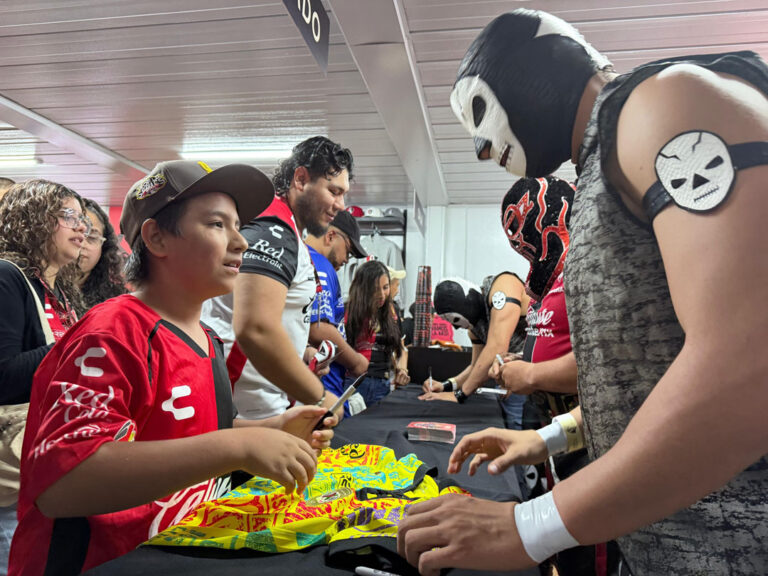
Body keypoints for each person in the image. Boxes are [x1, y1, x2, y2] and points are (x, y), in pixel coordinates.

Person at [398, 8, 768, 576]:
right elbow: (650, 371)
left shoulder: (660, 102)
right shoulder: (601, 163)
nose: (478, 148)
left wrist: (530, 526)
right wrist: (554, 436)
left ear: (535, 64)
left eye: (478, 112)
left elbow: (750, 357)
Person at [8, 160, 337, 576]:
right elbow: (62, 485)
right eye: (218, 225)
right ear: (157, 237)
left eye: (239, 226)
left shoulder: (207, 340)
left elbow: (186, 435)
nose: (241, 242)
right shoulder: (112, 334)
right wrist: (239, 449)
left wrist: (269, 431)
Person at [203, 136, 353, 421]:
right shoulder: (274, 228)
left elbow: (276, 317)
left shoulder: (288, 231)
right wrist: (319, 395)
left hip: (260, 400)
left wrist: (303, 353)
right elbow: (255, 328)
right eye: (334, 191)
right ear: (300, 179)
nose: (341, 204)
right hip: (247, 407)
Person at [0, 180, 87, 405]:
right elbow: (4, 378)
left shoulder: (62, 291)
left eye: (81, 218)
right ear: (33, 220)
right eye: (68, 216)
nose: (81, 227)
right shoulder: (7, 275)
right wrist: (80, 341)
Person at [419, 273, 530, 431]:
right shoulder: (475, 328)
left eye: (456, 321)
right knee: (509, 428)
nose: (457, 328)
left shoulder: (503, 286)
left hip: (537, 372)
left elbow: (497, 348)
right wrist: (447, 386)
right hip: (513, 378)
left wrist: (459, 395)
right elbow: (476, 366)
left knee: (523, 431)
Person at [304, 209, 369, 415]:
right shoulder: (320, 264)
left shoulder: (303, 259)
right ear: (331, 236)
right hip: (321, 386)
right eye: (348, 251)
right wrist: (356, 361)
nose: (347, 259)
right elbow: (319, 330)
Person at [345, 260, 406, 407]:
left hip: (381, 384)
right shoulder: (347, 311)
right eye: (375, 288)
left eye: (385, 288)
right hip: (353, 383)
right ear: (363, 288)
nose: (381, 294)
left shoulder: (392, 313)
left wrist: (401, 369)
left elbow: (401, 348)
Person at [77, 198, 127, 314]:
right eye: (74, 234)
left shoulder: (114, 302)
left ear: (104, 248)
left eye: (92, 237)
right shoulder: (36, 292)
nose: (81, 244)